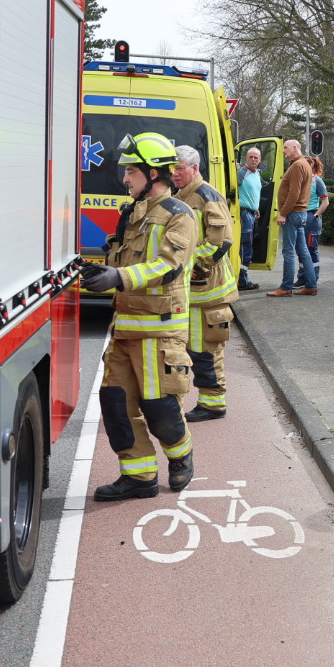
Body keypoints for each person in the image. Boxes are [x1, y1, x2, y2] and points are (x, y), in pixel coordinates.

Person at [81, 132, 199, 500]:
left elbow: (167, 266)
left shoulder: (181, 216)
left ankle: (181, 457)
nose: (125, 179)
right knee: (117, 406)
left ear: (153, 174)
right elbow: (123, 257)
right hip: (125, 327)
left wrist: (119, 277)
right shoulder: (131, 213)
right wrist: (98, 269)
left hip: (160, 331)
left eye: (131, 171)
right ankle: (139, 476)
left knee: (160, 408)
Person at [172, 145, 237, 421]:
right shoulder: (182, 196)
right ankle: (208, 401)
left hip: (208, 291)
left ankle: (212, 404)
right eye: (172, 169)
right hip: (195, 290)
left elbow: (221, 242)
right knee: (193, 347)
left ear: (195, 168)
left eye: (180, 168)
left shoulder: (206, 196)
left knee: (205, 350)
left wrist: (188, 264)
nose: (174, 174)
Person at [268, 139, 317, 296]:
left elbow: (294, 193)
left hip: (293, 213)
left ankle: (286, 287)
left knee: (288, 250)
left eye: (286, 148)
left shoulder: (297, 166)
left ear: (295, 148)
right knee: (303, 250)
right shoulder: (304, 164)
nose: (283, 151)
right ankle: (311, 285)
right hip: (301, 213)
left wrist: (283, 213)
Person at [237, 147, 262, 291]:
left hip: (251, 213)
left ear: (260, 160)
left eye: (256, 158)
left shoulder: (257, 173)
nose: (253, 160)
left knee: (248, 246)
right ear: (247, 158)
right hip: (244, 214)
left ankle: (243, 278)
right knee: (245, 247)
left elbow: (252, 193)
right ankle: (242, 280)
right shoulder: (242, 173)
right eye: (251, 157)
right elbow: (233, 190)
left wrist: (255, 208)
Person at [306, 157, 329, 265]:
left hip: (311, 217)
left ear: (312, 165)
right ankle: (302, 276)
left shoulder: (317, 181)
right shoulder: (299, 179)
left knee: (311, 248)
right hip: (301, 216)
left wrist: (315, 216)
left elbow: (325, 201)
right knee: (301, 249)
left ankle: (313, 276)